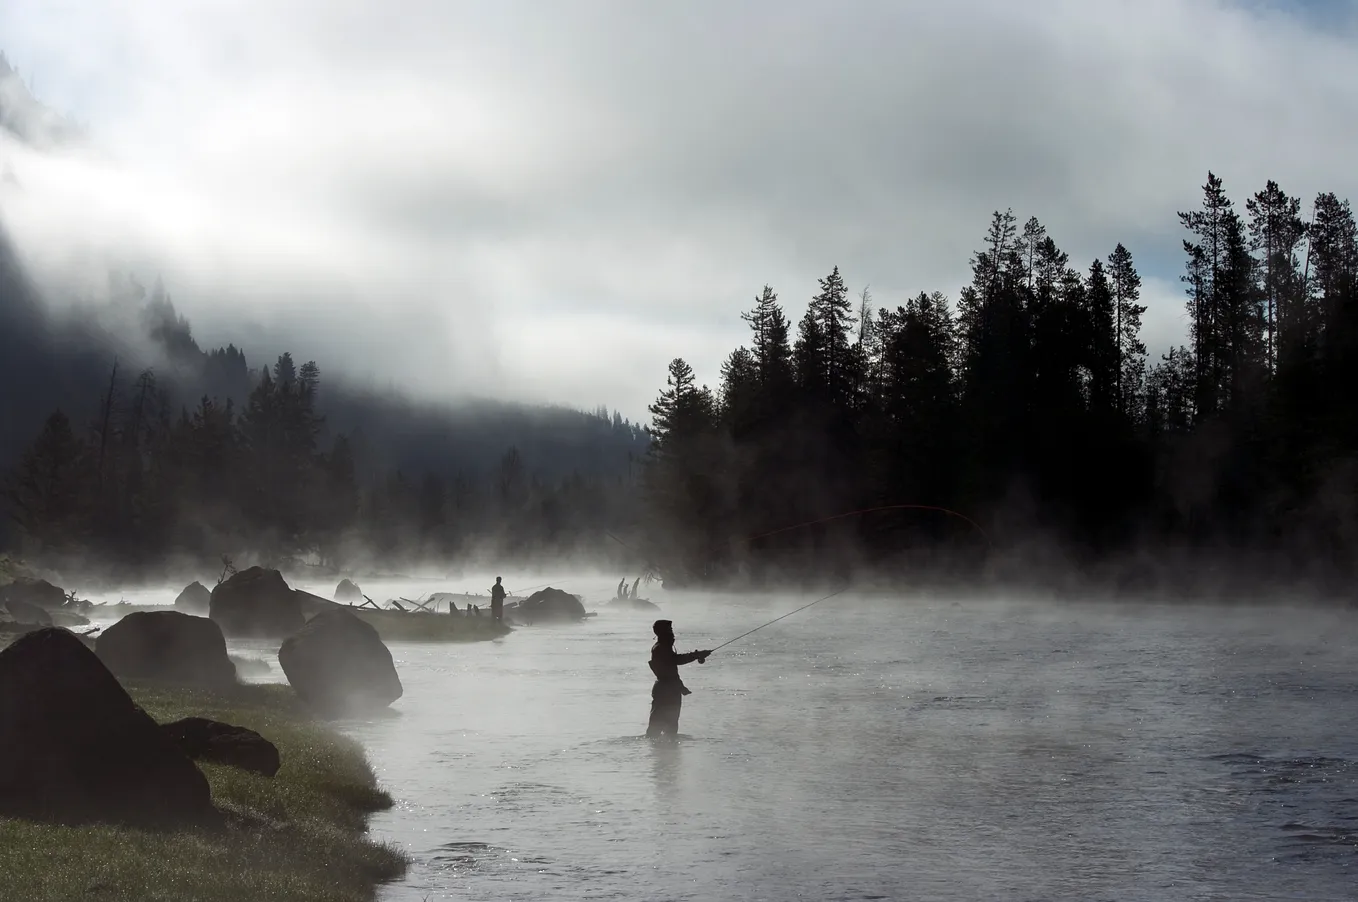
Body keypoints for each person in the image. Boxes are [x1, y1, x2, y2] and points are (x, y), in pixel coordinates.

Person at [646, 620, 712, 738]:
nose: (672, 633)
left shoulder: (662, 647)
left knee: (670, 728)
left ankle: (664, 753)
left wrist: (696, 655)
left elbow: (672, 666)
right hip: (666, 690)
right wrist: (696, 655)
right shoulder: (660, 648)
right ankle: (658, 753)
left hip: (668, 689)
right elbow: (675, 661)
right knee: (656, 729)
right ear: (662, 632)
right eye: (669, 630)